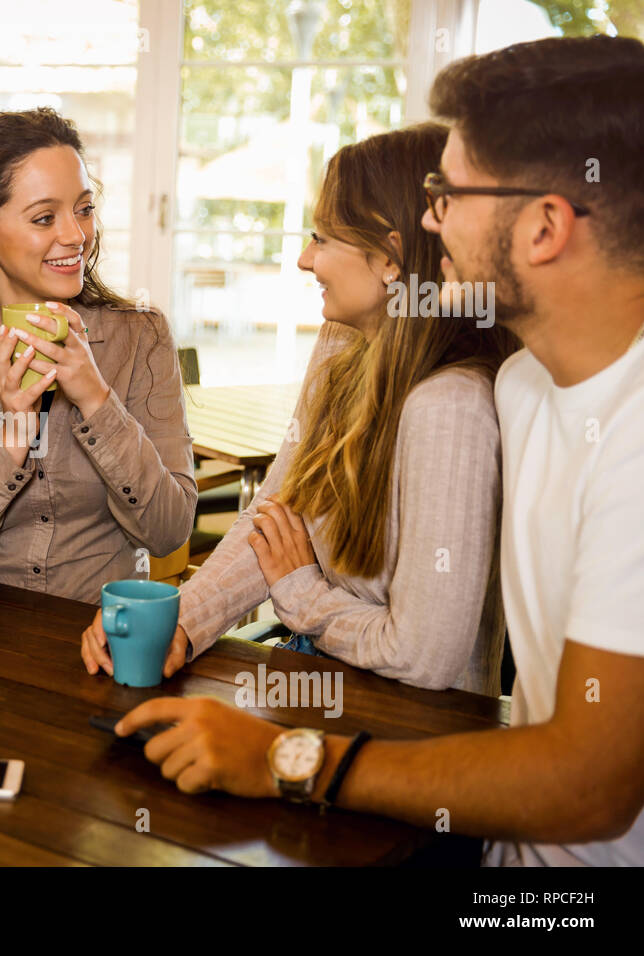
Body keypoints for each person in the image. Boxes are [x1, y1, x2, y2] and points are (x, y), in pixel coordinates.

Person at [116, 35, 644, 866]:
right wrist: (186, 617)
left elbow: (589, 782)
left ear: (545, 226)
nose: (431, 219)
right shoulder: (524, 387)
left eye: (451, 193)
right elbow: (287, 501)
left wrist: (286, 760)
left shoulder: (622, 441)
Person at [82, 124, 519, 695]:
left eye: (322, 238)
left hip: (404, 732)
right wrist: (179, 623)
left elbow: (423, 657)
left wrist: (303, 590)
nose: (304, 259)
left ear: (390, 257)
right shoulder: (341, 342)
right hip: (310, 681)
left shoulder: (452, 406)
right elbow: (275, 514)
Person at [0, 108, 196, 604]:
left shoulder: (141, 336)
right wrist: (12, 440)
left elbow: (168, 532)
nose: (76, 236)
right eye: (44, 217)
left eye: (84, 208)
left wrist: (98, 401)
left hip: (103, 636)